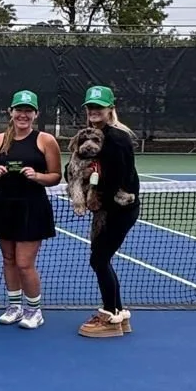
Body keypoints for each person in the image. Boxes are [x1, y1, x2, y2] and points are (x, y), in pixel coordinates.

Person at [0, 90, 62, 329]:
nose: (23, 115)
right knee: (8, 259)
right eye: (19, 110)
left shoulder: (46, 140)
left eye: (28, 111)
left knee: (24, 262)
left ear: (35, 114)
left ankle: (34, 310)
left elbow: (56, 176)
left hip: (32, 207)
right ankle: (15, 306)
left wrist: (37, 176)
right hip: (3, 205)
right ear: (11, 112)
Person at [76, 85, 140, 338]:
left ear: (110, 109)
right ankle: (118, 312)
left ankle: (110, 317)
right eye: (90, 107)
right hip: (107, 209)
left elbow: (116, 179)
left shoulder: (116, 138)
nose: (93, 111)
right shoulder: (96, 135)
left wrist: (93, 186)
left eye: (99, 107)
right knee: (101, 258)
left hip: (119, 210)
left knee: (99, 259)